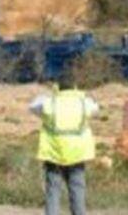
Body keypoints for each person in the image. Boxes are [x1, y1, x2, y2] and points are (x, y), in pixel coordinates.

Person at [30, 72, 99, 215]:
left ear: (57, 87)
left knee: (53, 192)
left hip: (54, 154)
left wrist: (52, 94)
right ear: (75, 87)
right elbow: (95, 107)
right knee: (78, 191)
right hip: (77, 154)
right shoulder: (83, 103)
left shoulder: (50, 103)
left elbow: (33, 106)